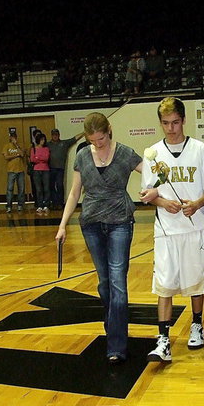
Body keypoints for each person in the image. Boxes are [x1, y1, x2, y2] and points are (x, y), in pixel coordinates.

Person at [55, 112, 144, 363]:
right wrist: (62, 225)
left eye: (101, 139)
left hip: (120, 223)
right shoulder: (82, 156)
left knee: (117, 280)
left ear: (109, 130)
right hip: (91, 224)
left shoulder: (125, 153)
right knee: (104, 282)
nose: (98, 144)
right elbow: (74, 193)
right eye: (93, 140)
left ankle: (116, 345)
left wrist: (154, 189)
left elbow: (151, 171)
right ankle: (113, 322)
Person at [140, 97, 204, 363]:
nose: (171, 128)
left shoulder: (201, 150)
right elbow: (147, 193)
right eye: (165, 123)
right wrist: (163, 201)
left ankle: (197, 325)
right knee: (164, 283)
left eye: (175, 122)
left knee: (196, 279)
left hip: (196, 226)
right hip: (166, 228)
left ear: (184, 120)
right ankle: (163, 339)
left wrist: (197, 203)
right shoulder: (152, 153)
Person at [48, 128, 83, 210]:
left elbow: (74, 138)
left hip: (60, 168)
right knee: (52, 186)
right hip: (50, 168)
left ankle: (60, 203)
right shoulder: (48, 144)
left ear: (58, 135)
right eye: (53, 135)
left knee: (60, 185)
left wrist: (84, 133)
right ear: (51, 135)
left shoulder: (64, 143)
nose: (55, 136)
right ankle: (54, 203)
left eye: (56, 134)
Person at [2, 134, 27, 213]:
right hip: (11, 170)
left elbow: (22, 154)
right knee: (10, 189)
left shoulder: (20, 146)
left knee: (21, 189)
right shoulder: (7, 146)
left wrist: (16, 145)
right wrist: (16, 155)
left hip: (20, 170)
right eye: (12, 137)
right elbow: (6, 157)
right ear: (10, 138)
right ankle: (9, 206)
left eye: (15, 137)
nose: (13, 139)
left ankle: (20, 205)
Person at [30, 132, 51, 213]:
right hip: (36, 170)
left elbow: (46, 158)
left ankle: (46, 204)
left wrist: (38, 158)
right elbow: (32, 159)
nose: (43, 141)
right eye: (41, 139)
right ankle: (39, 205)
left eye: (44, 140)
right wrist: (39, 159)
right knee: (38, 189)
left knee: (46, 188)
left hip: (45, 169)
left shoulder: (46, 149)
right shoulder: (33, 149)